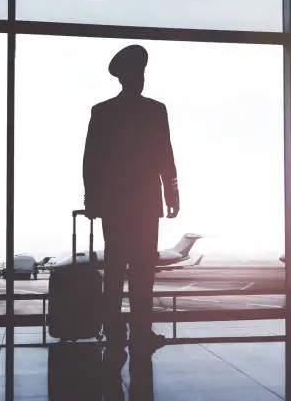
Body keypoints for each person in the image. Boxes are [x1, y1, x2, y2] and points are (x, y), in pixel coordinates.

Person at [82, 44, 179, 364]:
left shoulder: (104, 112)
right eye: (137, 73)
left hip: (117, 205)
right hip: (143, 203)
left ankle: (116, 329)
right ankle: (138, 329)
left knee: (119, 268)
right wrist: (171, 195)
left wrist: (94, 199)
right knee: (140, 270)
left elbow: (91, 162)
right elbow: (165, 156)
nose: (141, 79)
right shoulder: (154, 110)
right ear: (127, 78)